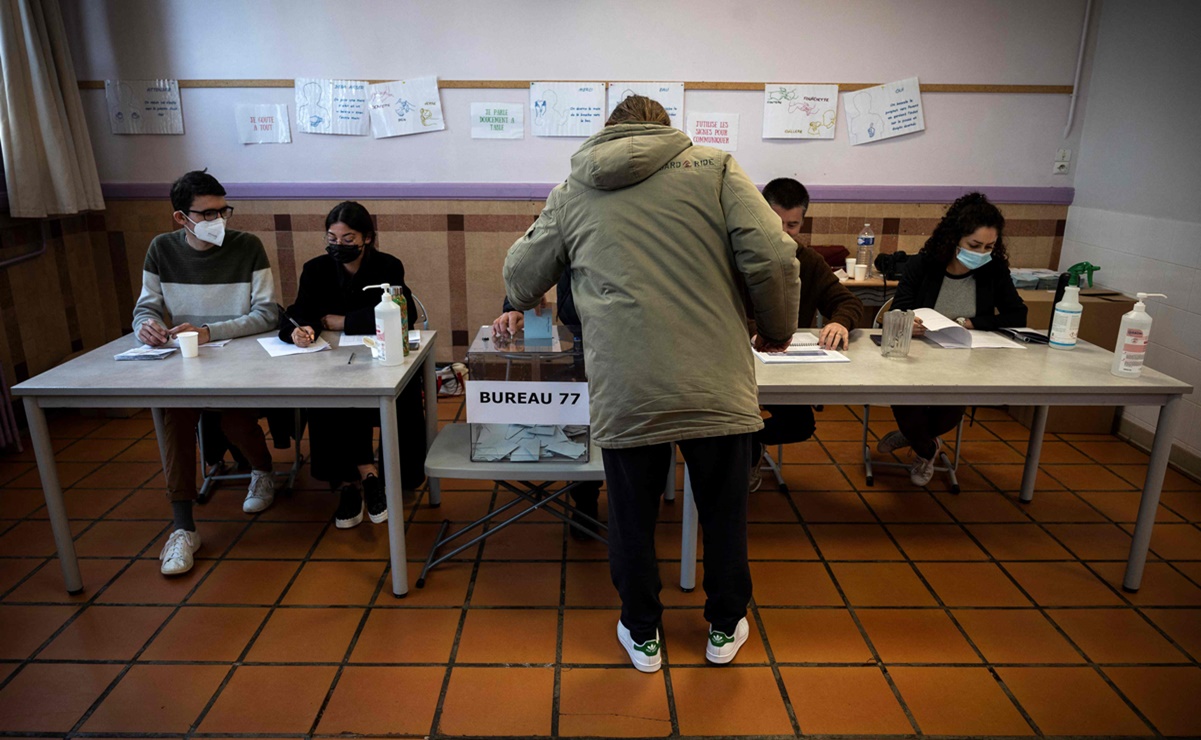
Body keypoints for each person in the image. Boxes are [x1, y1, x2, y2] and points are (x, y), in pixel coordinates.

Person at [503, 96, 800, 672]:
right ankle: (722, 627)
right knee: (723, 511)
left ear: (609, 133)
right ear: (667, 130)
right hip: (713, 378)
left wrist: (520, 295)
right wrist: (777, 328)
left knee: (632, 517)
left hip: (627, 383)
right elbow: (773, 256)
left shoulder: (574, 189)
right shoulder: (716, 169)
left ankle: (643, 634)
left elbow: (521, 275)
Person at [133, 169, 279, 576]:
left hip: (240, 358)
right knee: (173, 416)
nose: (218, 220)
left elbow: (268, 312)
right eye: (208, 214)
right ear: (182, 217)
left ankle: (263, 471)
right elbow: (146, 305)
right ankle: (182, 528)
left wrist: (211, 331)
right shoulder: (161, 249)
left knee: (234, 415)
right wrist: (145, 325)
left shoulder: (247, 246)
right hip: (186, 360)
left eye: (223, 211)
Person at [279, 201, 426, 528]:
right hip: (332, 360)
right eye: (332, 238)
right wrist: (298, 332)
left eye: (348, 240)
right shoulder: (315, 269)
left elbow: (405, 314)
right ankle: (356, 479)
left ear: (367, 238)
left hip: (380, 358)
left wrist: (342, 321)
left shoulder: (388, 265)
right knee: (329, 393)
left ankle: (377, 475)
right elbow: (300, 311)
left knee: (392, 392)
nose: (338, 246)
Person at [883, 192, 1027, 485]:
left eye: (989, 246)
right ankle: (927, 446)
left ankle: (917, 440)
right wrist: (909, 322)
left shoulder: (993, 269)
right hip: (918, 354)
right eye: (974, 245)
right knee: (905, 402)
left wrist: (973, 322)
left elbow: (1018, 314)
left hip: (965, 357)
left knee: (948, 414)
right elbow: (900, 306)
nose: (981, 253)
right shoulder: (923, 264)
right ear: (954, 239)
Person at [751, 177, 864, 490]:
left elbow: (847, 302)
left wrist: (840, 322)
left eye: (793, 225)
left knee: (800, 424)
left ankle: (749, 444)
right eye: (776, 223)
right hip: (739, 367)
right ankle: (740, 452)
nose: (784, 233)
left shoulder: (809, 261)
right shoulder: (738, 256)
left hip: (784, 369)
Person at [491, 273, 603, 540]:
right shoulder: (568, 230)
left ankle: (632, 511)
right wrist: (516, 306)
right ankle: (586, 499)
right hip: (580, 334)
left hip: (625, 333)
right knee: (578, 420)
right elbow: (535, 263)